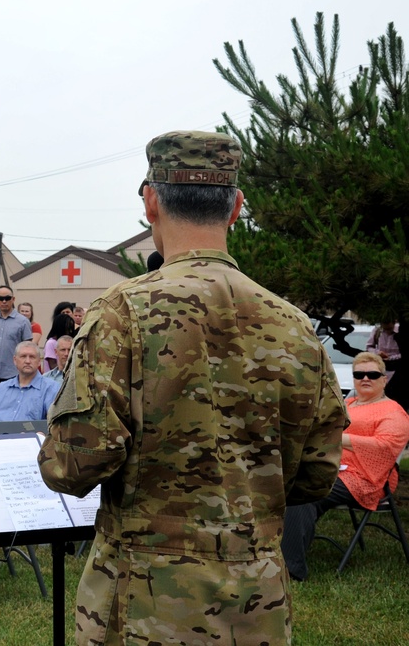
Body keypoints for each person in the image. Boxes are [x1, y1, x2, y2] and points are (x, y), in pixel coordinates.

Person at [37, 130, 348, 644]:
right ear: (236, 207)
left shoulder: (121, 312)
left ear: (150, 200)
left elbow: (74, 465)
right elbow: (315, 476)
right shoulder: (293, 324)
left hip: (143, 599)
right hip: (257, 599)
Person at [282, 352, 409, 580]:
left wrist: (340, 440)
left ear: (384, 378)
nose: (365, 378)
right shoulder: (347, 403)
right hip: (332, 468)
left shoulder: (394, 411)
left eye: (372, 374)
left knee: (306, 491)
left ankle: (291, 570)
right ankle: (276, 550)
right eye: (359, 374)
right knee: (280, 482)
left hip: (365, 479)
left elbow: (386, 446)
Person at [0, 341, 59, 421]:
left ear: (39, 361)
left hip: (31, 433)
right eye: (23, 356)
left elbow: (54, 423)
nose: (27, 361)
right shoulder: (2, 388)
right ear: (15, 360)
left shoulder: (51, 388)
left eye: (32, 357)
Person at [0, 286, 32, 383]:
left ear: (13, 299)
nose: (4, 301)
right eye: (1, 299)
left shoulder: (23, 322)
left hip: (15, 374)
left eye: (7, 298)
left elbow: (28, 349)